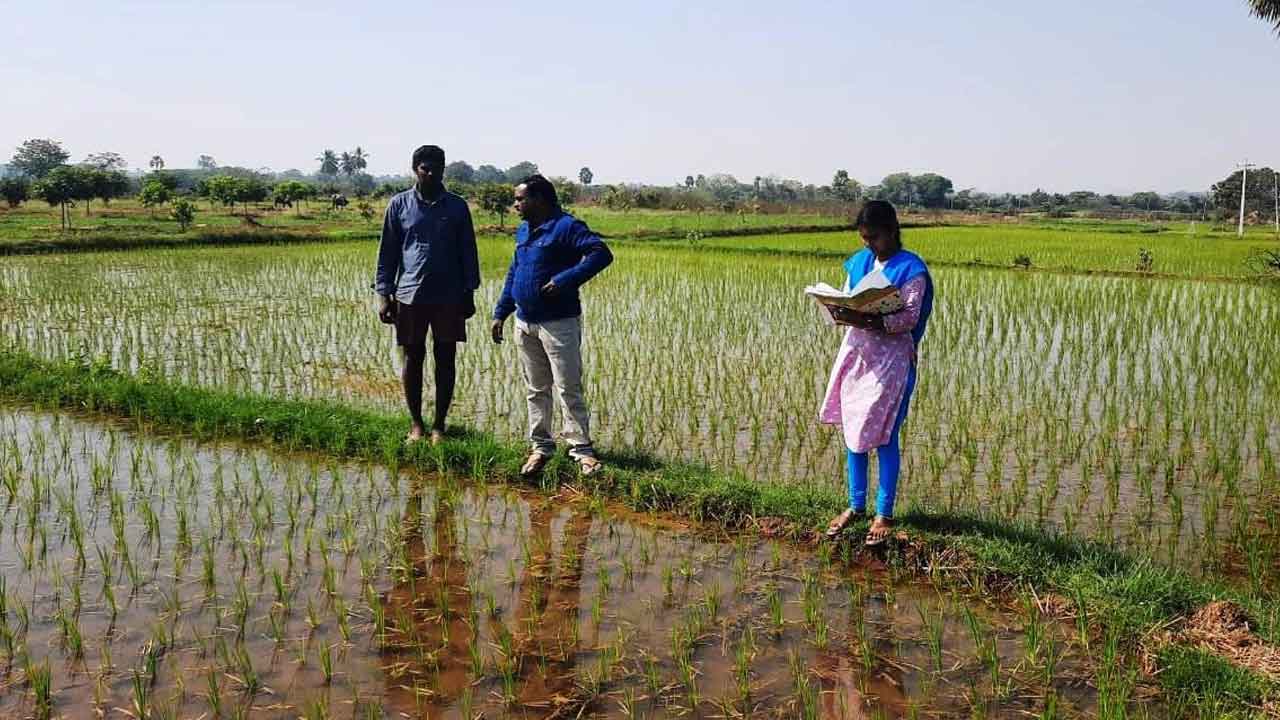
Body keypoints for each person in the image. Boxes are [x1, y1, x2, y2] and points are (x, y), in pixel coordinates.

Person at [819, 200, 933, 546]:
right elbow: (849, 296)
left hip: (892, 362)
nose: (869, 244)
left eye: (875, 238)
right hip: (857, 356)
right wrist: (842, 310)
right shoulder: (860, 261)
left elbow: (909, 318)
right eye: (864, 238)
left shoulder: (911, 269)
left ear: (893, 231)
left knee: (884, 435)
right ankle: (855, 506)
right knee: (853, 429)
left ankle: (883, 513)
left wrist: (873, 320)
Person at [491, 174, 613, 477]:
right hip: (525, 322)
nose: (515, 204)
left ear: (540, 199)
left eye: (520, 199)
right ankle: (541, 446)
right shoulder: (523, 230)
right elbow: (514, 271)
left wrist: (565, 279)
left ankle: (581, 449)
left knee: (567, 386)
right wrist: (501, 312)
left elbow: (601, 254)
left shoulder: (566, 226)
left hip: (558, 323)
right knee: (536, 389)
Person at [374, 145, 480, 445]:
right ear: (415, 169)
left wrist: (469, 292)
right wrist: (384, 294)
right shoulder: (399, 205)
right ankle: (416, 424)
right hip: (409, 295)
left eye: (438, 167)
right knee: (413, 357)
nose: (432, 173)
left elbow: (467, 251)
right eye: (426, 168)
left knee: (446, 358)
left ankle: (439, 426)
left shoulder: (457, 207)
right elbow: (388, 253)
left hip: (449, 296)